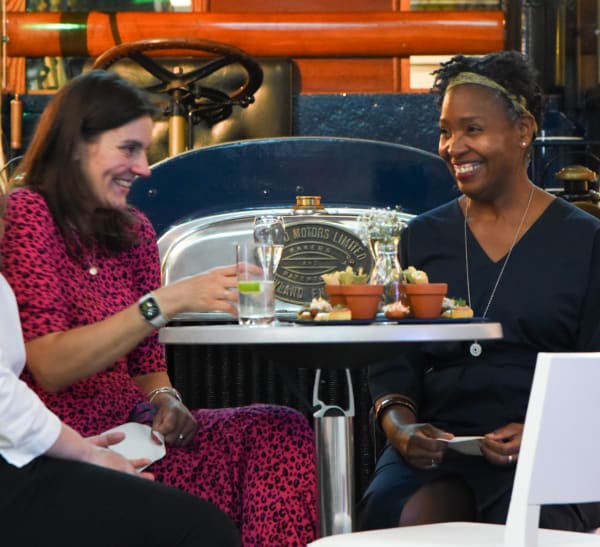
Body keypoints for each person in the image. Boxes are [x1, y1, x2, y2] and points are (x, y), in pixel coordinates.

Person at [0, 69, 317, 547]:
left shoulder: (135, 232)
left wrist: (167, 401)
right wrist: (166, 301)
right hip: (59, 444)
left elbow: (148, 368)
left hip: (135, 431)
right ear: (75, 146)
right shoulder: (29, 214)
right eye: (128, 149)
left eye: (145, 151)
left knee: (280, 430)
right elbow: (49, 365)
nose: (145, 168)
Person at [358, 50, 600, 533]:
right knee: (405, 518)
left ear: (524, 129)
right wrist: (401, 429)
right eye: (446, 131)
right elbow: (393, 367)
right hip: (436, 447)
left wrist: (541, 435)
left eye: (473, 129)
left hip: (550, 447)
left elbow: (594, 374)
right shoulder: (422, 238)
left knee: (534, 524)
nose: (453, 147)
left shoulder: (585, 239)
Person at [0, 269, 241, 547]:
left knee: (273, 430)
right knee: (202, 529)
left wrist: (166, 398)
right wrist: (83, 452)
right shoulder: (31, 231)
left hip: (113, 434)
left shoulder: (135, 231)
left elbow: (147, 362)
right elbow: (35, 380)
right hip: (45, 442)